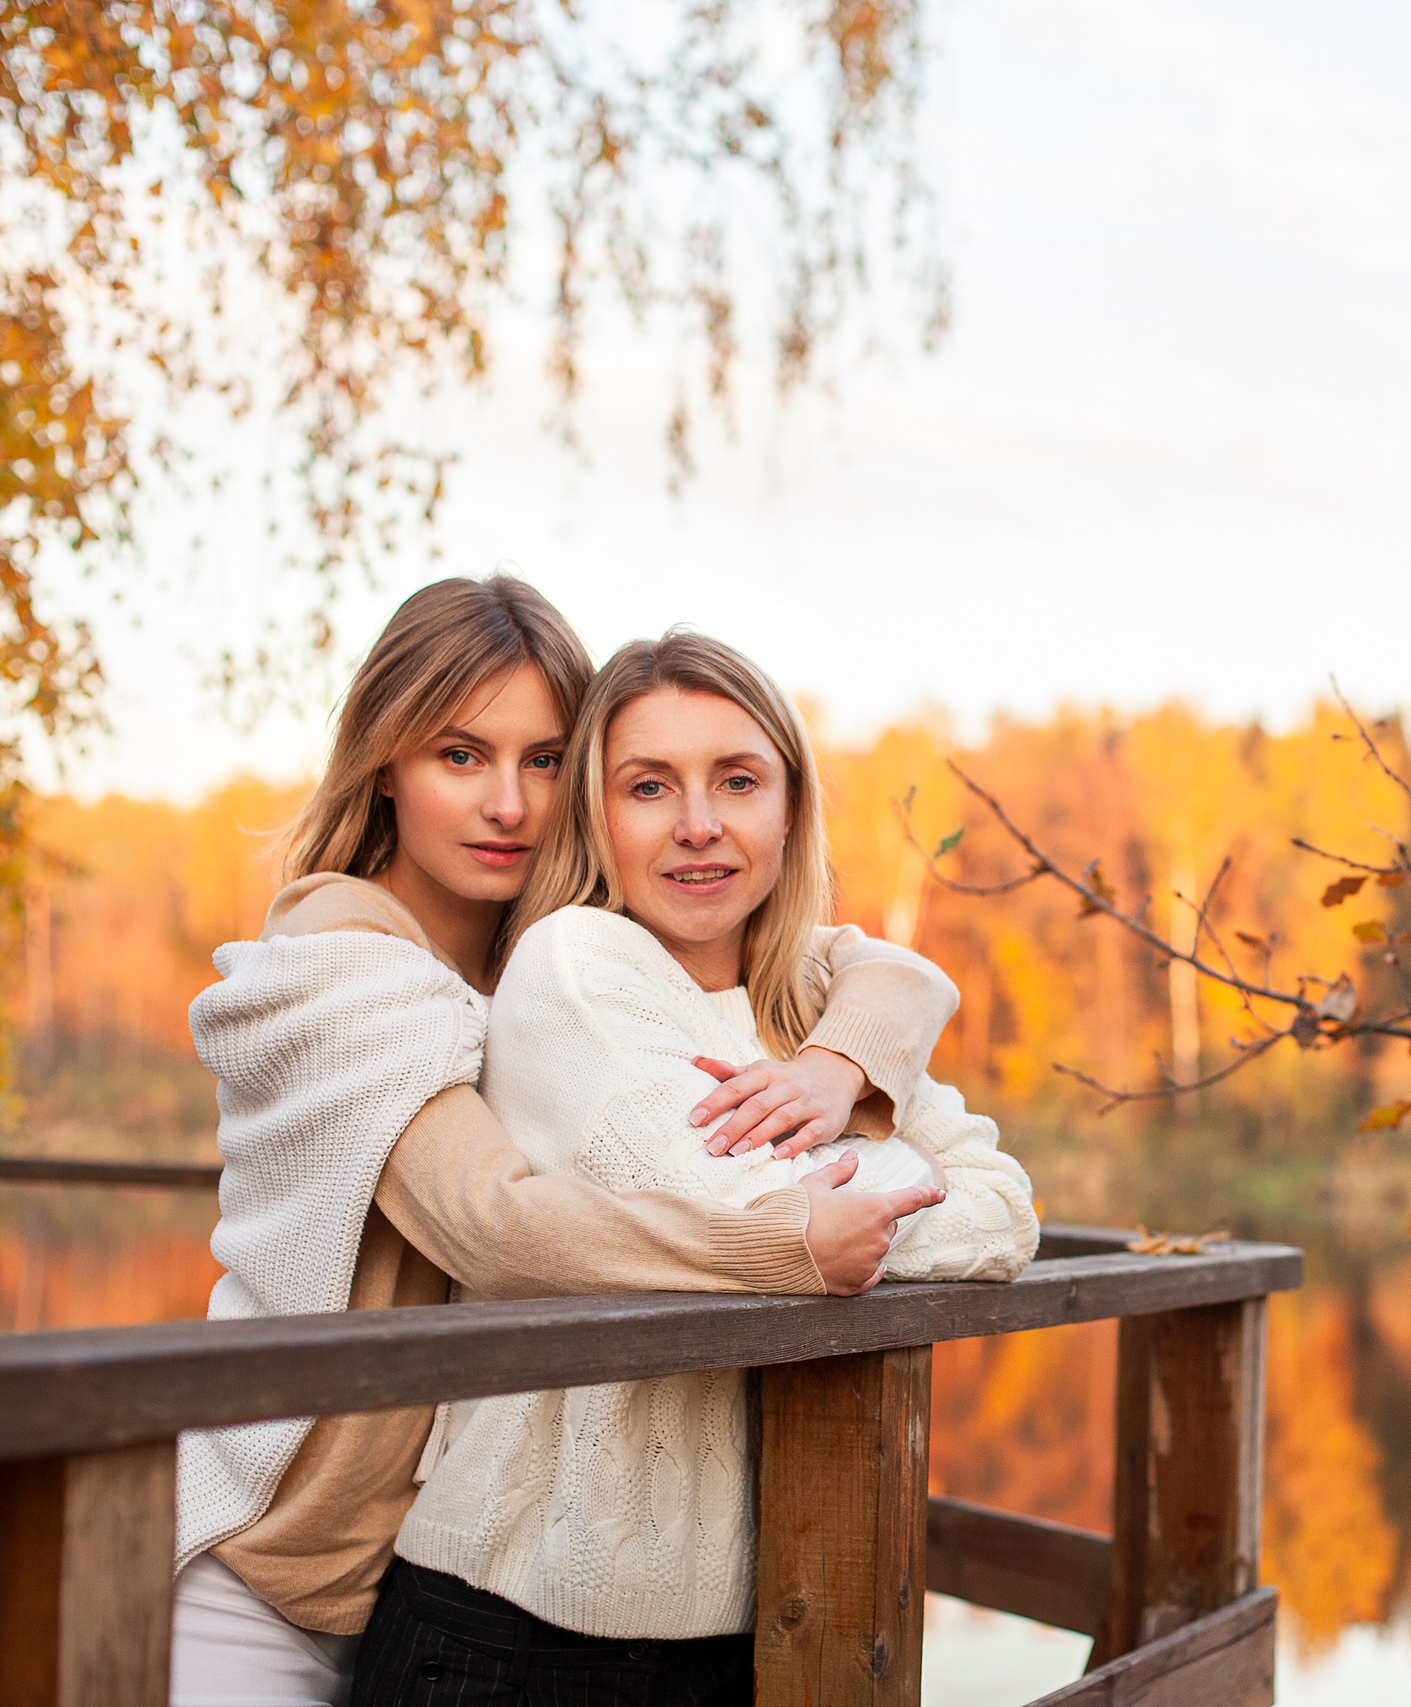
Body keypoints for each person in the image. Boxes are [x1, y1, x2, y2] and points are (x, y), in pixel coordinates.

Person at [172, 580, 957, 1707]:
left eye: (545, 761)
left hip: (435, 1569)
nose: (507, 803)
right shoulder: (336, 963)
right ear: (384, 764)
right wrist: (782, 1244)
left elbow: (897, 971)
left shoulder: (562, 952)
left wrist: (836, 1067)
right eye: (459, 755)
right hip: (275, 1568)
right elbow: (490, 1224)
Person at [351, 630, 1038, 1705]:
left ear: (788, 809)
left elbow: (1006, 1214)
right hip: (508, 1633)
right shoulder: (575, 967)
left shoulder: (816, 1010)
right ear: (597, 815)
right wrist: (879, 1142)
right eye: (648, 786)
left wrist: (834, 1074)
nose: (699, 825)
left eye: (736, 780)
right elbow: (753, 1211)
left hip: (741, 1634)